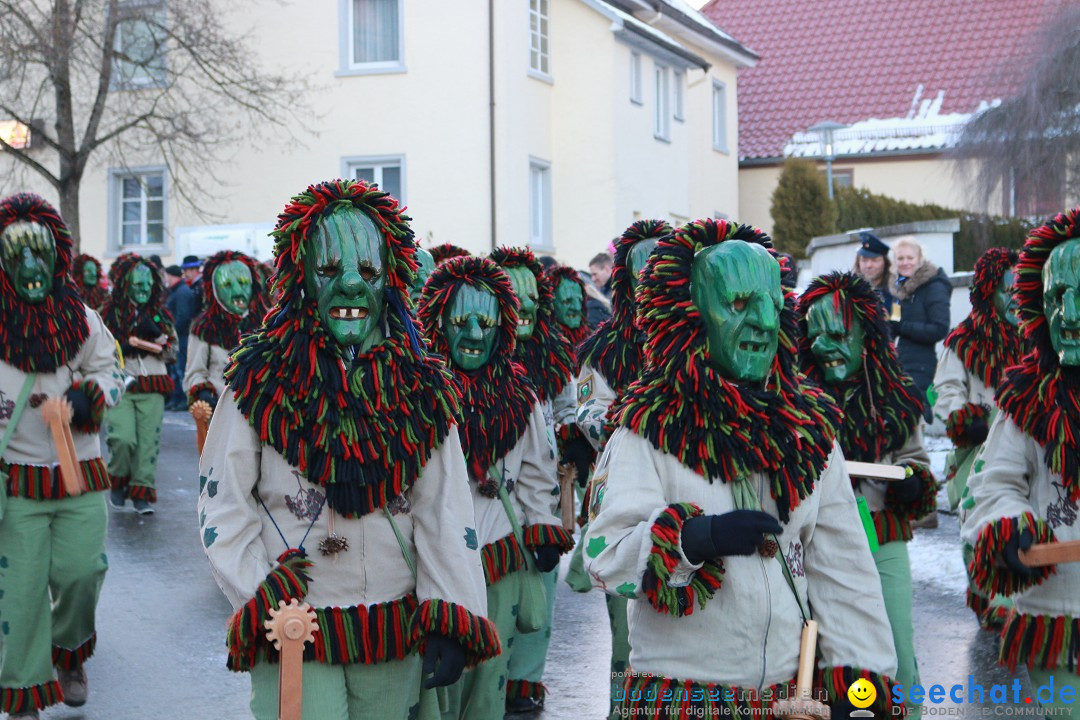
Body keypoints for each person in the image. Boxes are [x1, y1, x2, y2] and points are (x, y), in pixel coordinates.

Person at [199, 179, 498, 720]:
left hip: (391, 627)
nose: (351, 288)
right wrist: (260, 594)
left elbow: (444, 512)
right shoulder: (256, 382)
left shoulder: (423, 387)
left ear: (391, 278)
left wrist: (450, 614)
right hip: (293, 622)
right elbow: (224, 501)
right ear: (301, 279)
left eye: (367, 272)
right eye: (330, 271)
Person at [583, 218, 898, 719]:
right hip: (682, 698)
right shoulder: (646, 429)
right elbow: (602, 555)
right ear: (690, 317)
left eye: (771, 306)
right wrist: (693, 539)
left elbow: (844, 568)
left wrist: (863, 685)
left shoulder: (810, 431)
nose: (763, 323)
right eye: (737, 304)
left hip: (787, 697)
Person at [419, 255, 572, 719]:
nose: (472, 333)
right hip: (437, 564)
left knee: (490, 684)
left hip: (500, 557)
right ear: (439, 322)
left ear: (501, 328)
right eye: (460, 320)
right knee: (436, 693)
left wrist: (543, 525)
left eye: (484, 322)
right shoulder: (418, 391)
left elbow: (536, 473)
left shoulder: (519, 394)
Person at [0, 193, 125, 719]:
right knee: (21, 590)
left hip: (79, 475)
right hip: (19, 480)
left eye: (40, 254)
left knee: (80, 572)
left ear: (57, 257)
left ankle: (69, 653)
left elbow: (113, 371)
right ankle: (25, 689)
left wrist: (86, 398)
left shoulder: (84, 319)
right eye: (17, 255)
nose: (31, 267)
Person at [797, 272, 937, 719]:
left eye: (838, 334)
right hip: (817, 543)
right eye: (815, 335)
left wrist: (913, 480)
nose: (825, 346)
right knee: (821, 661)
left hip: (881, 536)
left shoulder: (895, 396)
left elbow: (917, 461)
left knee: (897, 651)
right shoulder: (793, 399)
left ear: (867, 336)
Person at [961, 209, 1080, 711]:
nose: (1069, 316)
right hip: (1058, 615)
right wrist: (1012, 528)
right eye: (1056, 298)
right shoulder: (1027, 398)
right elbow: (992, 486)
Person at [572, 219, 670, 719]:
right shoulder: (603, 348)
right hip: (630, 505)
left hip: (693, 502)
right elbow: (587, 413)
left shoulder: (703, 334)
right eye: (643, 271)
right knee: (627, 639)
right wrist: (637, 419)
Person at [488, 246, 575, 713]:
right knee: (497, 601)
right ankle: (491, 681)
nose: (523, 308)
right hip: (494, 504)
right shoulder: (473, 356)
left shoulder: (554, 357)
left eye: (531, 297)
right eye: (512, 296)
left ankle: (524, 683)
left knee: (539, 602)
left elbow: (568, 408)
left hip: (543, 498)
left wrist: (572, 432)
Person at [931, 248, 1022, 630]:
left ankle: (1008, 597)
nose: (1016, 297)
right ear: (989, 292)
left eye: (1021, 289)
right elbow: (944, 391)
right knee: (975, 526)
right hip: (976, 450)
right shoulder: (963, 341)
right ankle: (985, 591)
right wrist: (964, 420)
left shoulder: (1037, 337)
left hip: (1021, 449)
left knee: (1011, 519)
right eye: (1007, 290)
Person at [101, 253, 178, 514]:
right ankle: (118, 479)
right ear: (125, 284)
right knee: (122, 439)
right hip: (121, 383)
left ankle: (142, 490)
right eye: (138, 284)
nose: (144, 289)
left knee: (147, 444)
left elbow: (172, 352)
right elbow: (96, 349)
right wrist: (120, 348)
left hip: (152, 384)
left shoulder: (159, 315)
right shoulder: (108, 313)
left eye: (148, 284)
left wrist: (156, 335)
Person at [182, 250, 265, 412]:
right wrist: (203, 390)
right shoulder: (205, 327)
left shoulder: (266, 322)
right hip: (223, 408)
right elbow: (194, 372)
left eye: (243, 283)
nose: (237, 292)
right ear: (215, 290)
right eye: (227, 285)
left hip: (262, 409)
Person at [888, 236, 951, 421]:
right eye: (900, 258)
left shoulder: (934, 286)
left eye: (910, 257)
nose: (905, 262)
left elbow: (940, 328)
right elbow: (894, 325)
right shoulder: (899, 288)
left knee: (911, 428)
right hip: (900, 365)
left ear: (920, 259)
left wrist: (903, 327)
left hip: (921, 368)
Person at [165, 264, 196, 411]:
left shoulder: (181, 292)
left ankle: (183, 399)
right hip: (176, 337)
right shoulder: (177, 291)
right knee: (175, 370)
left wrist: (172, 334)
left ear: (171, 276)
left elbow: (183, 317)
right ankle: (176, 398)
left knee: (180, 369)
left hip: (181, 338)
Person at [853, 232, 893, 318]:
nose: (869, 265)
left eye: (875, 260)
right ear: (858, 263)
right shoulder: (851, 292)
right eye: (864, 260)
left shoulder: (896, 291)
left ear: (885, 263)